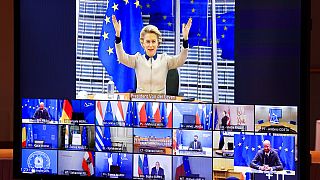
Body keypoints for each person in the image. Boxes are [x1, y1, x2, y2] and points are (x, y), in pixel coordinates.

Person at [112, 15, 192, 94]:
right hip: (141, 102)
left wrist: (185, 39)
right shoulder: (137, 59)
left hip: (160, 104)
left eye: (153, 41)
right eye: (148, 41)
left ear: (158, 43)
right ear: (143, 43)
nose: (151, 45)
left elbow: (181, 60)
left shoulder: (165, 59)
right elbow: (122, 57)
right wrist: (118, 35)